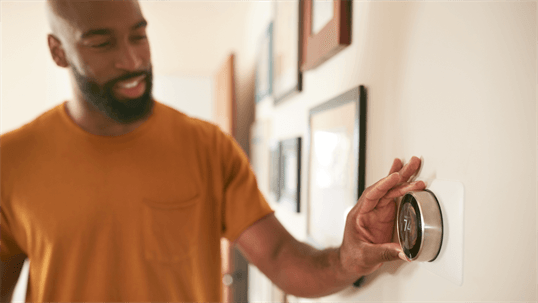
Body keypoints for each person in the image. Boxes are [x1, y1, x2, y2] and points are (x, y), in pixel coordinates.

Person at [0, 0, 426, 301]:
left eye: (139, 35)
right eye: (101, 43)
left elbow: (280, 257)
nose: (132, 60)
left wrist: (347, 258)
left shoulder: (207, 146)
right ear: (58, 51)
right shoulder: (11, 161)